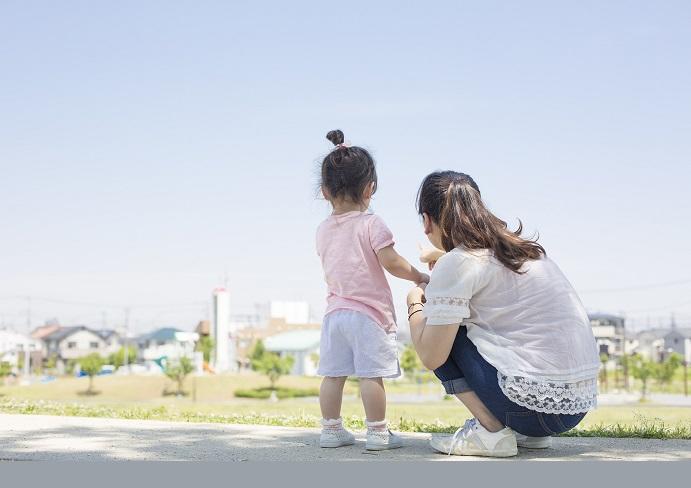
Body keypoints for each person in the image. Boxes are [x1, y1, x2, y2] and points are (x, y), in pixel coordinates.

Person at [407, 171, 600, 457]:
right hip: (574, 408)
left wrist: (415, 303)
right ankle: (525, 434)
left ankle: (492, 433)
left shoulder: (458, 261)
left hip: (526, 410)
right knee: (455, 320)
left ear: (426, 220)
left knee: (440, 331)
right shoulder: (524, 251)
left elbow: (431, 356)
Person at [315, 130, 429, 450]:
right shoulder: (371, 223)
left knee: (333, 375)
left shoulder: (322, 230)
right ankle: (378, 433)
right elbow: (391, 262)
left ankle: (330, 429)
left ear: (324, 192)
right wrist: (419, 275)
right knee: (370, 376)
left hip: (334, 314)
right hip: (369, 315)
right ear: (370, 187)